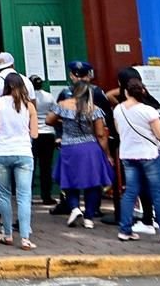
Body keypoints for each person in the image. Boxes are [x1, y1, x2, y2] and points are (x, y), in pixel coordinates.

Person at [114, 78, 160, 245]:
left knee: (130, 192)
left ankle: (125, 230)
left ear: (126, 92)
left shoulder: (118, 109)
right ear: (143, 92)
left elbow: (118, 130)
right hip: (149, 155)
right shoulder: (149, 111)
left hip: (127, 155)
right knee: (158, 193)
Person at [47, 81, 113, 229]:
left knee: (69, 181)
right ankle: (89, 217)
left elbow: (48, 120)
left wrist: (63, 121)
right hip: (90, 148)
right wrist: (106, 154)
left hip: (69, 147)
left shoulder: (63, 105)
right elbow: (101, 134)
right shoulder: (94, 109)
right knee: (93, 184)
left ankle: (75, 208)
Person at [0, 72, 38, 250]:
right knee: (24, 196)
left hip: (2, 152)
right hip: (24, 152)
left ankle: (7, 233)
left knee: (3, 194)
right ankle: (25, 238)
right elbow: (34, 134)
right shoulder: (29, 106)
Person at [29, 76, 57, 205]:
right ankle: (46, 196)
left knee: (31, 167)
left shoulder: (28, 98)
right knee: (46, 166)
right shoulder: (49, 97)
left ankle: (28, 196)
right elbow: (55, 113)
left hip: (33, 134)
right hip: (48, 133)